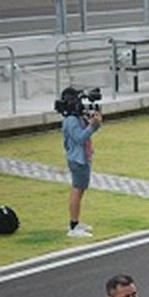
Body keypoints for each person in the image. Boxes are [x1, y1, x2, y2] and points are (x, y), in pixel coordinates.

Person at [59, 86, 103, 238]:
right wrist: (92, 126)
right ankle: (73, 226)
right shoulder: (71, 120)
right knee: (77, 191)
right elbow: (79, 138)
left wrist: (92, 122)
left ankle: (76, 222)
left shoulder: (75, 118)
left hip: (82, 157)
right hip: (77, 159)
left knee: (80, 190)